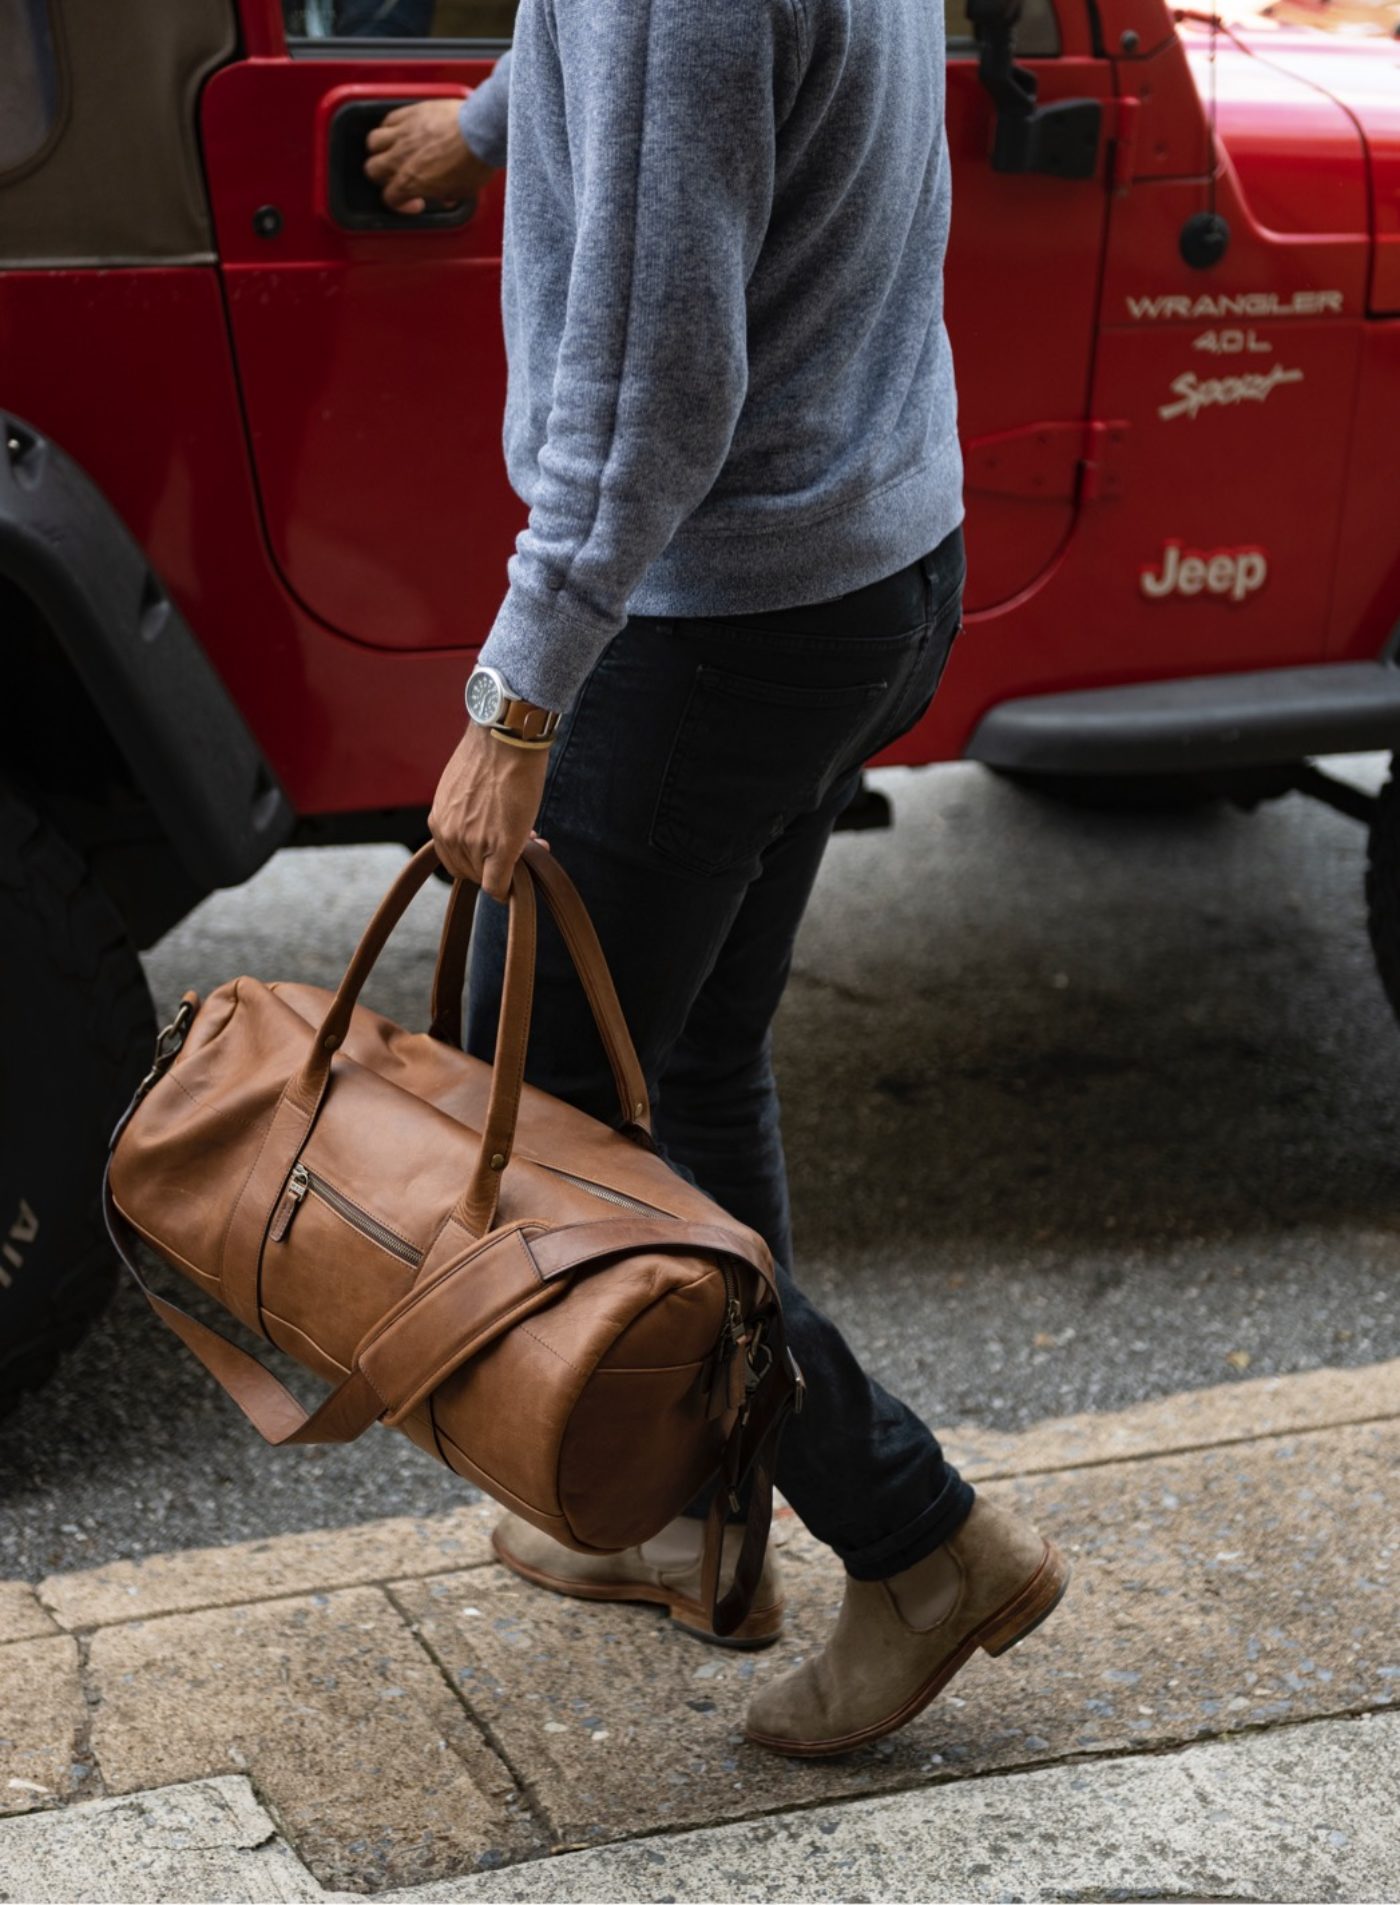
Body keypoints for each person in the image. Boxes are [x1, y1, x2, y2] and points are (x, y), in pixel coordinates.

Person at [364, 0, 1068, 1759]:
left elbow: (652, 380)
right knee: (693, 1060)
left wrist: (520, 694)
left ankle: (917, 1539)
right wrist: (495, 117)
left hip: (719, 617)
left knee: (553, 1119)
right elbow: (694, 83)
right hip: (870, 556)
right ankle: (698, 1520)